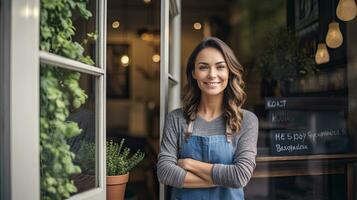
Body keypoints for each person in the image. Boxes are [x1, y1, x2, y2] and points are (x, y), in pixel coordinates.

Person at [157, 37, 259, 200]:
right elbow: (165, 172)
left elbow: (240, 176)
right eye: (203, 67)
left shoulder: (246, 120)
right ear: (194, 73)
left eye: (220, 67)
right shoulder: (176, 118)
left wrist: (189, 164)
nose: (212, 75)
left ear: (229, 72)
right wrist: (225, 177)